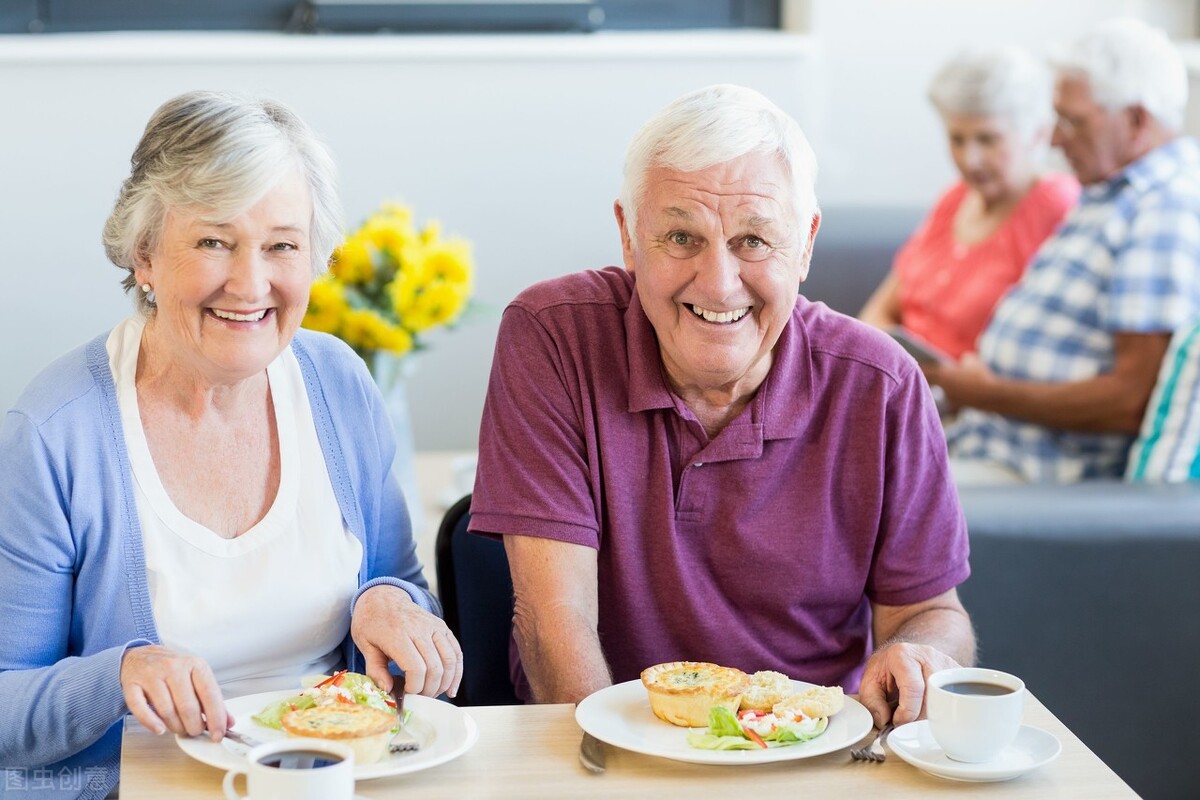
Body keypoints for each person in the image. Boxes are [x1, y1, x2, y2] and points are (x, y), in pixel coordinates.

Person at [0, 91, 462, 799]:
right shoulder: (56, 433)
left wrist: (389, 603)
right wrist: (118, 675)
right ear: (144, 254)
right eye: (214, 241)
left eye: (282, 244)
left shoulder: (339, 382)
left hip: (337, 778)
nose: (250, 284)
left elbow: (402, 592)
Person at [469, 84, 975, 730]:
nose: (717, 282)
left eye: (753, 241)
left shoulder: (883, 387)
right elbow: (553, 621)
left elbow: (931, 613)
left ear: (806, 245)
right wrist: (617, 770)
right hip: (607, 746)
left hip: (809, 752)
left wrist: (921, 655)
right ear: (628, 236)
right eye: (681, 236)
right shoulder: (552, 338)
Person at [927, 19, 1200, 485]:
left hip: (1033, 473)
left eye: (1072, 120)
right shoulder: (1113, 192)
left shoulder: (1165, 209)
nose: (1053, 139)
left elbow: (1130, 401)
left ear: (1136, 121)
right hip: (987, 439)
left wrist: (986, 393)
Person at [859, 47, 1079, 359]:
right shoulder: (955, 197)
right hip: (903, 383)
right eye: (957, 139)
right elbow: (880, 309)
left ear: (1037, 134)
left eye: (988, 139)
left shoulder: (1059, 206)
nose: (969, 160)